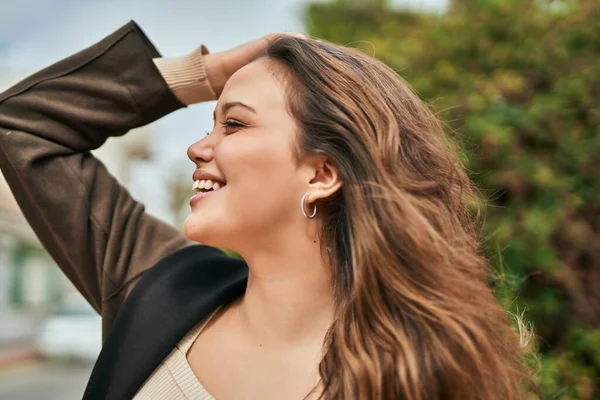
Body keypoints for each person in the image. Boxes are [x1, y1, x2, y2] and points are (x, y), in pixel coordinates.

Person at [0, 21, 538, 400]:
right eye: (209, 123)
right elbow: (22, 127)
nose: (197, 149)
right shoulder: (161, 288)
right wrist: (211, 73)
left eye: (233, 124)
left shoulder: (417, 372)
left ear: (323, 174)